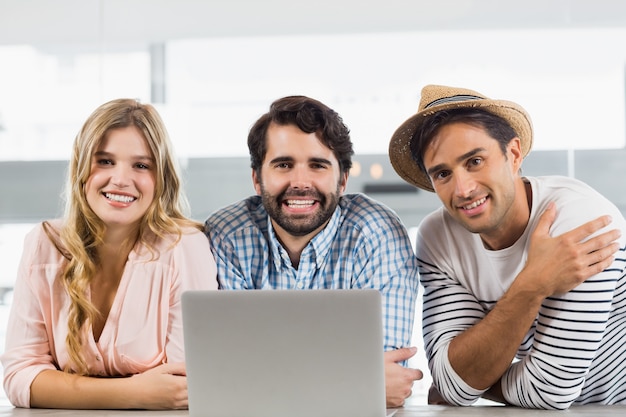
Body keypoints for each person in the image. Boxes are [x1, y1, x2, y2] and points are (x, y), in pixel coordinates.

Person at [388, 84, 626, 409]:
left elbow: (549, 391)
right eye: (443, 173)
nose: (463, 189)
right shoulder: (437, 237)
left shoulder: (580, 220)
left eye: (474, 161)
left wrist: (476, 385)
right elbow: (449, 381)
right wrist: (532, 284)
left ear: (513, 155)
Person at [205, 95, 423, 407]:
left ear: (343, 179)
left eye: (317, 165)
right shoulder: (227, 236)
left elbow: (389, 378)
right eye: (283, 164)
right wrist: (355, 381)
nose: (300, 182)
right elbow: (221, 377)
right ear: (256, 178)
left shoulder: (376, 232)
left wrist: (266, 376)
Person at [1, 98, 218, 409]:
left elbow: (182, 386)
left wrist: (62, 386)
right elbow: (20, 377)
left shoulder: (184, 247)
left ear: (161, 179)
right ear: (81, 168)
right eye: (104, 161)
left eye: (141, 165)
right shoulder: (44, 243)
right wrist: (135, 393)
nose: (120, 179)